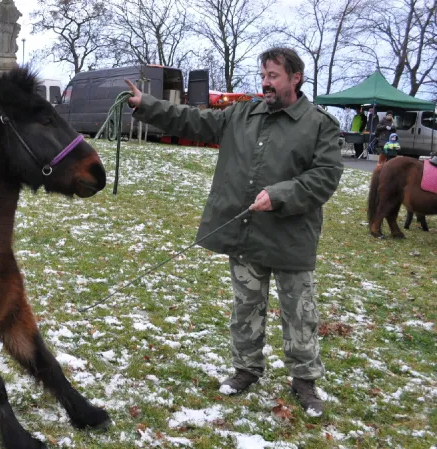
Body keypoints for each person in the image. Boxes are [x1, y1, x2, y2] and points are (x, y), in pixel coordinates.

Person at [125, 47, 344, 417]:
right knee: (246, 307)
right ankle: (246, 370)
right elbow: (191, 120)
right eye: (263, 75)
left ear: (296, 78)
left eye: (273, 76)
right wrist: (146, 104)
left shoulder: (319, 123)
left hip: (292, 239)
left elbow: (325, 176)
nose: (265, 83)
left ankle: (304, 382)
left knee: (299, 313)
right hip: (247, 234)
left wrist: (280, 194)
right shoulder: (243, 113)